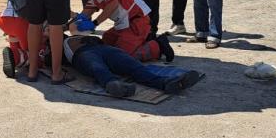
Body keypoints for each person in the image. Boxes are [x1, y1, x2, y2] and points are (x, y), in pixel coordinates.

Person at [73, 0, 174, 63]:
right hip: (123, 24)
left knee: (120, 58)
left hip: (136, 21)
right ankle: (142, 39)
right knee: (106, 42)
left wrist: (95, 23)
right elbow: (86, 12)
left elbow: (113, 4)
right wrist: (66, 24)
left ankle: (158, 46)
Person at [62, 34, 203, 97]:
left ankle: (166, 83)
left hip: (105, 49)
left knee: (134, 66)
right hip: (82, 53)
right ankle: (112, 84)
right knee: (98, 68)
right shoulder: (59, 46)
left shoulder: (75, 33)